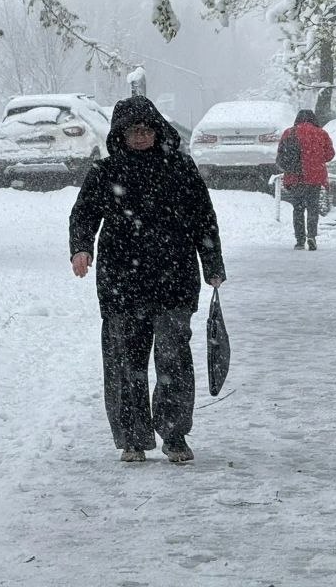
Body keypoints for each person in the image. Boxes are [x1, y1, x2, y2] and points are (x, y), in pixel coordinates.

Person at [69, 95, 226, 465]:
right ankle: (132, 439)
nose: (139, 136)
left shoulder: (181, 169)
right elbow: (83, 215)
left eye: (145, 129)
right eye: (131, 131)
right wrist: (80, 248)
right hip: (122, 284)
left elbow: (204, 219)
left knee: (174, 361)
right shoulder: (105, 173)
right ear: (119, 136)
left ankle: (174, 436)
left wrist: (213, 264)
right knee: (126, 364)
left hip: (174, 281)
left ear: (158, 131)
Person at [277, 109, 335, 250]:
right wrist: (315, 159)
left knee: (298, 209)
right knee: (312, 208)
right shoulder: (321, 133)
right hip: (314, 177)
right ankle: (312, 236)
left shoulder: (289, 133)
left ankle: (299, 240)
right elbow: (330, 154)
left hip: (295, 177)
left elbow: (280, 156)